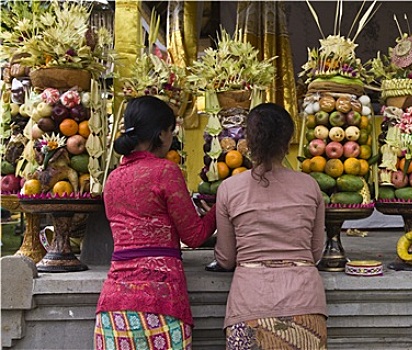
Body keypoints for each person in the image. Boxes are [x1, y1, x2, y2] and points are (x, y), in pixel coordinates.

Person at [95, 96, 217, 350]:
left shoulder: (113, 179)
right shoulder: (165, 171)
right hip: (160, 304)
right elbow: (194, 236)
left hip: (114, 306)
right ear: (161, 134)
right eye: (172, 131)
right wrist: (220, 207)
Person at [215, 102, 328, 349]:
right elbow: (316, 252)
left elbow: (225, 258)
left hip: (249, 302)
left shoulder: (229, 189)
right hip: (305, 301)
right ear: (289, 142)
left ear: (249, 142)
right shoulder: (310, 186)